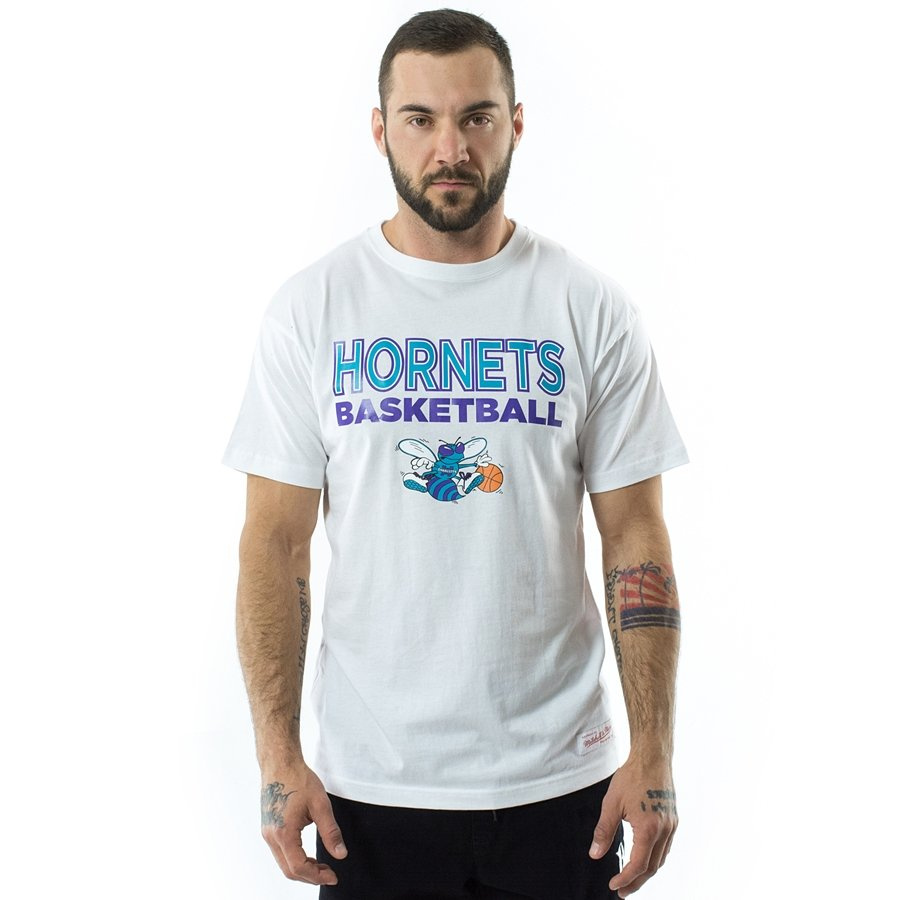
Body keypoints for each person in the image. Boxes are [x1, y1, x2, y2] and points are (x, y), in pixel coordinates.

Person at [223, 9, 688, 899]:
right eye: (420, 118)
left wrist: (655, 753)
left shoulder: (589, 309)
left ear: (516, 125)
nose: (451, 148)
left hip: (564, 786)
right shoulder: (312, 311)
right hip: (369, 794)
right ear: (379, 130)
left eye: (477, 117)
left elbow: (636, 535)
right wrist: (278, 759)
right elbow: (273, 546)